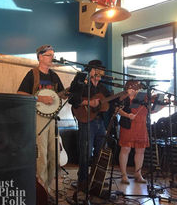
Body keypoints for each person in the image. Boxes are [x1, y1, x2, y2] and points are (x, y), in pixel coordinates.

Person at [17, 45, 68, 194]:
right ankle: (41, 191)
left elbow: (62, 94)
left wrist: (68, 92)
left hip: (52, 118)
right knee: (42, 154)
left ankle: (48, 187)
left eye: (53, 54)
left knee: (54, 154)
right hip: (37, 117)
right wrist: (40, 98)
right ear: (40, 56)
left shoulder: (54, 75)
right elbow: (20, 93)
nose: (52, 57)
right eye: (49, 55)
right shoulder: (33, 74)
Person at [69, 59, 111, 192]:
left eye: (101, 71)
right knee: (85, 153)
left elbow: (112, 101)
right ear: (91, 70)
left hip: (100, 122)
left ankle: (96, 181)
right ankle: (82, 181)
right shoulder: (81, 82)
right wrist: (88, 102)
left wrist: (126, 95)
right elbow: (73, 100)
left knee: (100, 153)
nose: (100, 73)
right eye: (97, 70)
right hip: (86, 121)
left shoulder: (103, 88)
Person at [118, 80, 148, 184]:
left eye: (138, 88)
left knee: (140, 150)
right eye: (134, 88)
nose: (137, 90)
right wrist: (127, 115)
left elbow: (150, 110)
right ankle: (124, 175)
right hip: (128, 125)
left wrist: (160, 106)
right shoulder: (124, 97)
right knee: (125, 149)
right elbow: (118, 109)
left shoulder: (143, 98)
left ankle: (138, 174)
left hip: (141, 125)